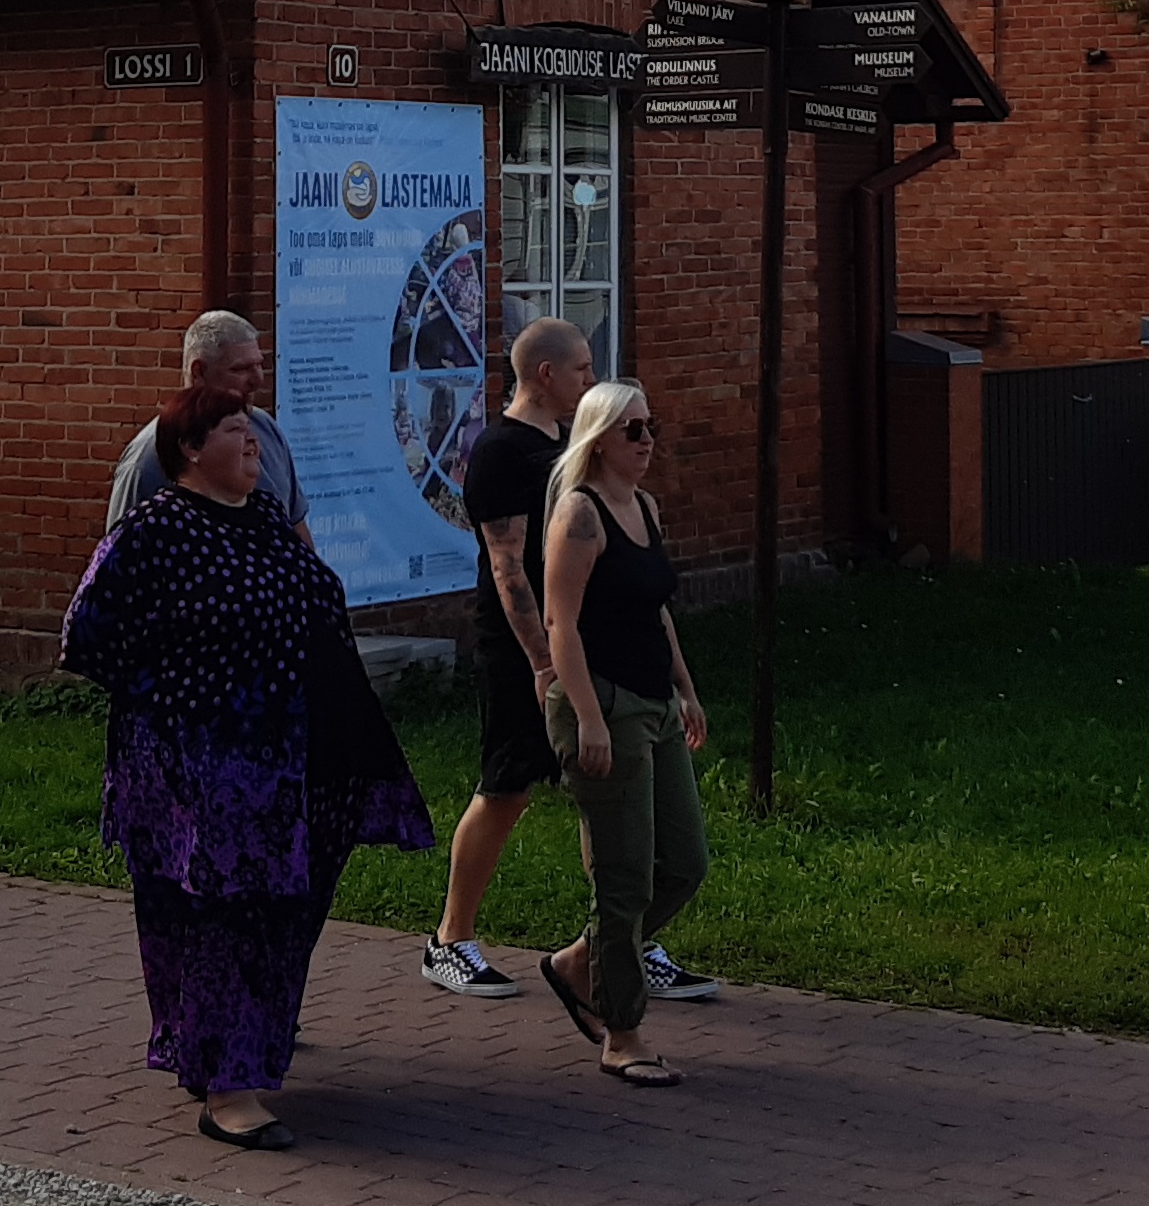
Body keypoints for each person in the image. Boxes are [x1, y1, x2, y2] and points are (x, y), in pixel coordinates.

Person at [61, 385, 432, 1148]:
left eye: (256, 430)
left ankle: (236, 1046)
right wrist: (173, 702)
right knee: (225, 913)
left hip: (294, 757)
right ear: (192, 450)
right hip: (200, 772)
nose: (255, 442)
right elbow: (86, 635)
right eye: (236, 430)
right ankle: (228, 1089)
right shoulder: (155, 532)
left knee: (281, 909)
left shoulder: (264, 519)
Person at [534, 380, 710, 1086]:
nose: (646, 442)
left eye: (651, 427)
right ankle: (623, 1032)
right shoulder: (578, 516)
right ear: (597, 438)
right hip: (602, 705)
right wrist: (587, 716)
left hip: (654, 704)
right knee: (624, 876)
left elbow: (656, 611)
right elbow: (561, 625)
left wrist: (686, 689)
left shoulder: (645, 507)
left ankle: (580, 964)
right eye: (632, 429)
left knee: (684, 863)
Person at [422, 318, 594, 999]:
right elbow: (508, 566)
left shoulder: (573, 445)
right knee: (508, 787)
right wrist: (544, 662)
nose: (590, 377)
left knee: (605, 791)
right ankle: (450, 939)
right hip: (523, 648)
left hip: (580, 637)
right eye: (580, 368)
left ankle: (618, 941)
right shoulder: (500, 451)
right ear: (545, 375)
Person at [106, 311, 304, 533]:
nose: (258, 381)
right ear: (198, 372)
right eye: (240, 369)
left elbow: (296, 527)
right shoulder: (149, 457)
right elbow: (120, 554)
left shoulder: (266, 428)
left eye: (259, 365)